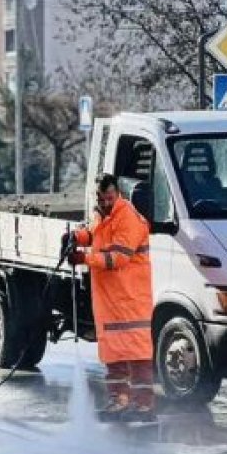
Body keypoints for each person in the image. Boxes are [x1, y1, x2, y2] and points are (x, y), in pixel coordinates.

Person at [63, 174, 155, 419]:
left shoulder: (129, 219)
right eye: (100, 199)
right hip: (110, 301)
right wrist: (77, 237)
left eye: (108, 198)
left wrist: (84, 257)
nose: (104, 203)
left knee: (137, 355)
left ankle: (143, 405)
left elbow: (117, 258)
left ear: (118, 194)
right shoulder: (102, 216)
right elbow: (96, 235)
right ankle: (120, 401)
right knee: (114, 353)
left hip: (130, 300)